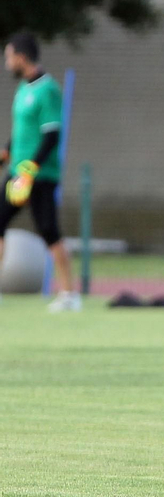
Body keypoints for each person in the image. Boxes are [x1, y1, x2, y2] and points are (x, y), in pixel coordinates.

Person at [0, 33, 79, 312]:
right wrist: (6, 152)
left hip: (39, 175)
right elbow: (23, 131)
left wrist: (29, 171)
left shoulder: (48, 90)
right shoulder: (24, 88)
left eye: (9, 57)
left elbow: (51, 136)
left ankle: (69, 295)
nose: (7, 63)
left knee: (48, 230)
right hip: (17, 172)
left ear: (22, 57)